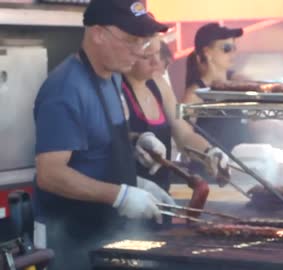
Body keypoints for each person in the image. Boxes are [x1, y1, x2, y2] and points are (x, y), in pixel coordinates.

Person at [33, 1, 175, 269]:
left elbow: (96, 138)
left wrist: (136, 143)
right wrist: (121, 195)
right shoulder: (65, 90)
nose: (139, 51)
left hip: (109, 233)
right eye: (132, 40)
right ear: (98, 34)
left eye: (143, 42)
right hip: (71, 239)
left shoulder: (113, 77)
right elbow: (50, 175)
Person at [122, 35, 230, 191]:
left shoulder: (159, 84)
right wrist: (134, 141)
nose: (156, 62)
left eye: (157, 53)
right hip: (128, 194)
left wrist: (209, 152)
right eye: (146, 56)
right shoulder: (115, 86)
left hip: (162, 192)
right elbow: (107, 139)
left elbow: (184, 134)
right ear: (129, 54)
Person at [182, 22, 253, 153]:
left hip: (244, 164)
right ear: (207, 53)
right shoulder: (195, 94)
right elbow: (183, 137)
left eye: (234, 48)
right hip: (212, 168)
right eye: (226, 48)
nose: (233, 53)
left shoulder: (238, 82)